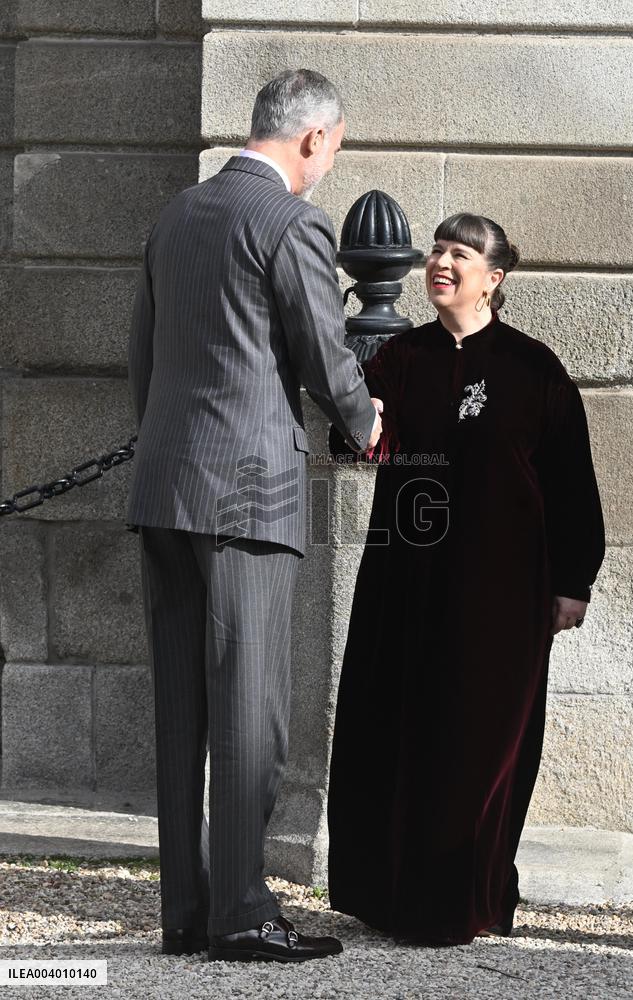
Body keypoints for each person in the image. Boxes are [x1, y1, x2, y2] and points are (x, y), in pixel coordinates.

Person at [126, 69, 382, 964]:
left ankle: (185, 914)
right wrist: (366, 419)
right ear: (312, 138)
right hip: (249, 495)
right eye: (335, 149)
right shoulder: (291, 222)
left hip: (164, 488)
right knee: (250, 712)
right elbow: (323, 347)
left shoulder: (178, 216)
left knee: (182, 711)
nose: (329, 166)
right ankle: (240, 914)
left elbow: (142, 359)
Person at [326, 213, 606, 946]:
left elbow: (571, 483)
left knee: (479, 746)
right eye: (438, 250)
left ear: (494, 278)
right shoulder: (398, 357)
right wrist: (364, 417)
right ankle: (388, 896)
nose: (442, 262)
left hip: (501, 595)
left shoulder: (534, 368)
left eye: (461, 253)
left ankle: (473, 896)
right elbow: (354, 443)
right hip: (404, 584)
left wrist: (574, 580)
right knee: (395, 733)